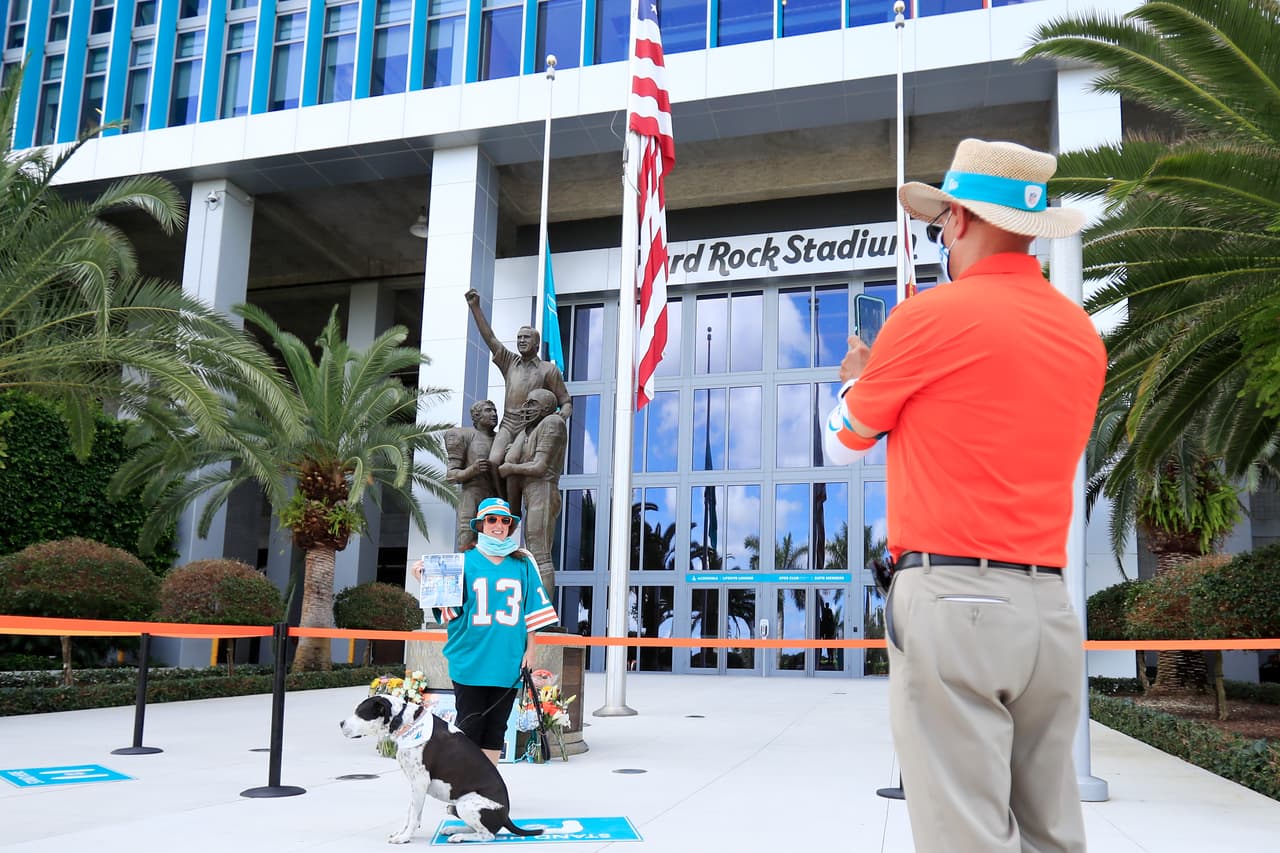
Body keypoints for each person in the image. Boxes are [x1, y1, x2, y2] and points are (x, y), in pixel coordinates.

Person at [823, 139, 1106, 853]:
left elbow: (843, 438)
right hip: (1048, 608)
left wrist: (860, 375)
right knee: (1052, 834)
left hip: (954, 598)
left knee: (965, 836)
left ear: (956, 221)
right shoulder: (1082, 337)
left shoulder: (928, 320)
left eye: (940, 220)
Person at [412, 497, 558, 764]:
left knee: (496, 728)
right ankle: (464, 787)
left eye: (504, 521)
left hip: (508, 658)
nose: (498, 525)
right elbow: (450, 611)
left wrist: (531, 650)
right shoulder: (463, 562)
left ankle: (486, 787)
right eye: (492, 520)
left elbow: (532, 611)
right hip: (471, 656)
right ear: (480, 525)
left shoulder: (523, 564)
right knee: (469, 727)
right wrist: (425, 580)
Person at [463, 290, 572, 502]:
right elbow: (489, 338)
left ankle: (513, 511)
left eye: (526, 338)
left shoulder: (548, 370)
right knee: (494, 462)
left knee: (511, 463)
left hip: (528, 426)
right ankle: (503, 503)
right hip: (508, 422)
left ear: (537, 344)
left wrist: (559, 417)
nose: (521, 341)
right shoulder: (509, 361)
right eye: (519, 338)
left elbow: (566, 401)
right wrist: (475, 307)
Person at [497, 388, 567, 603]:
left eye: (532, 404)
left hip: (544, 490)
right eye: (526, 403)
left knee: (540, 555)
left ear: (546, 407)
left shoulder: (552, 423)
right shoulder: (528, 430)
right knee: (531, 552)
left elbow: (539, 466)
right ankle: (532, 607)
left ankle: (543, 614)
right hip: (530, 493)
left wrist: (511, 468)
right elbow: (511, 458)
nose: (526, 408)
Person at [444, 400, 499, 550]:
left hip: (496, 497)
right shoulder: (465, 436)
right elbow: (451, 475)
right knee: (467, 538)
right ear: (476, 415)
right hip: (472, 494)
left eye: (495, 411)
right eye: (488, 410)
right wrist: (472, 470)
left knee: (495, 543)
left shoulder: (501, 439)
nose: (494, 414)